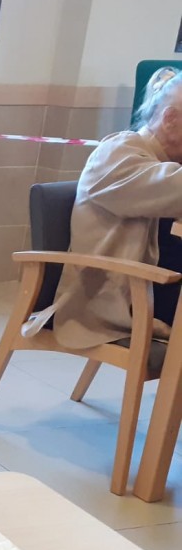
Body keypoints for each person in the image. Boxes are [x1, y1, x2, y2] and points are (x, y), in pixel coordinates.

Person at [48, 66, 182, 348]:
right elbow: (172, 188)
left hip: (150, 291)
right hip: (116, 303)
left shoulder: (156, 159)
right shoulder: (118, 153)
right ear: (170, 119)